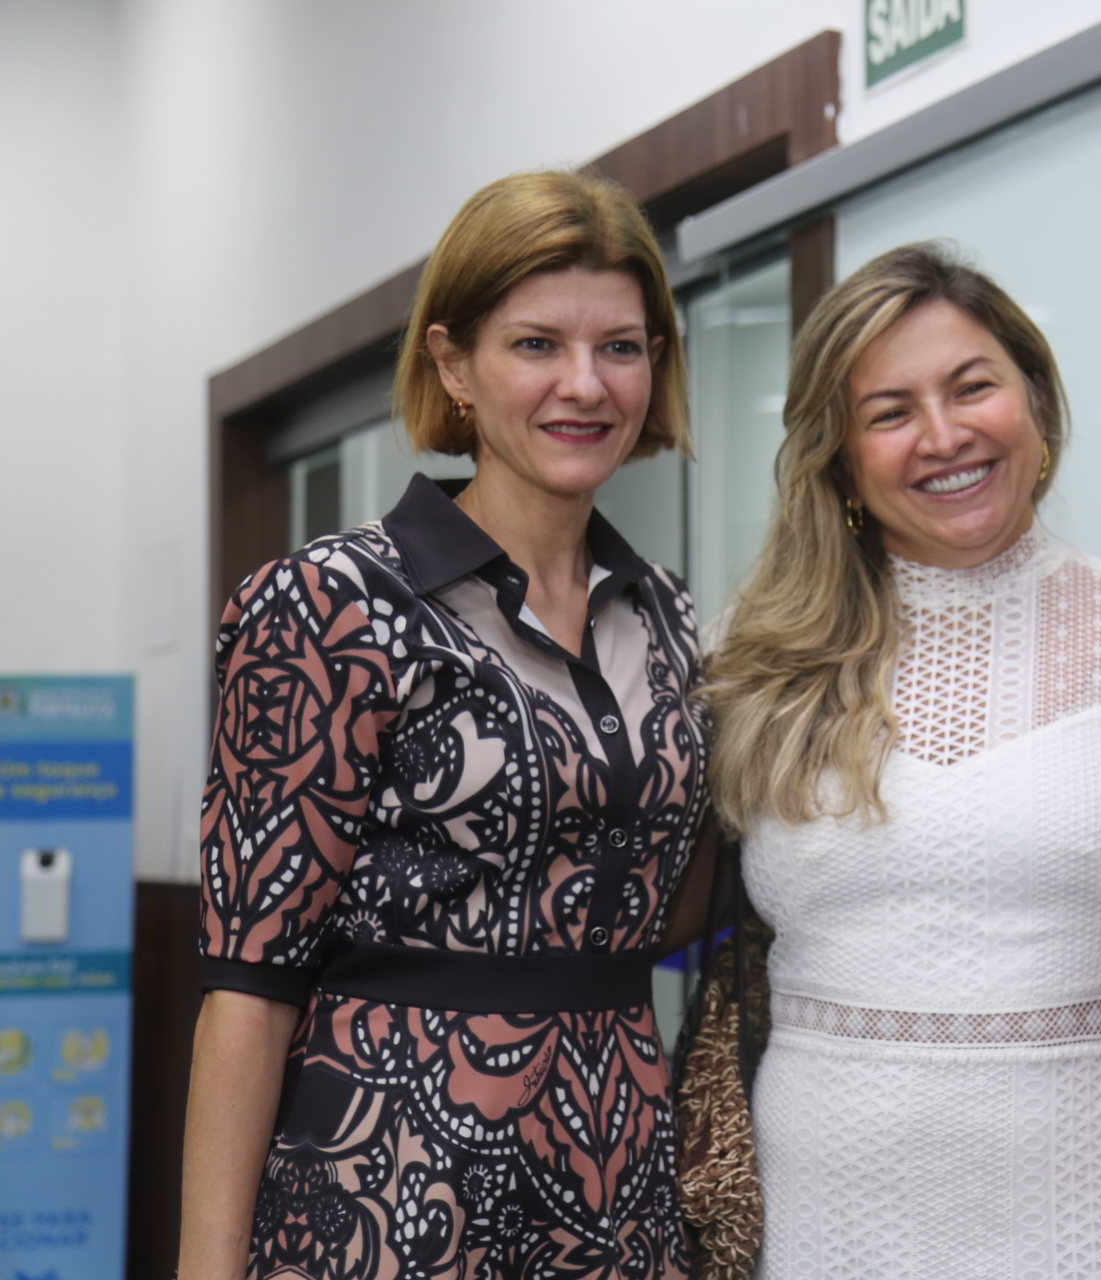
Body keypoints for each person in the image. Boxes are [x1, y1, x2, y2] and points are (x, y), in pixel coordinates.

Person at [179, 170, 711, 1280]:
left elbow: (677, 895)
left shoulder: (670, 616)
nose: (585, 384)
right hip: (388, 1188)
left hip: (618, 1192)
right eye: (536, 344)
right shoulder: (331, 603)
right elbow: (250, 985)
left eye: (620, 346)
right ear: (453, 364)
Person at [700, 243, 1101, 1278]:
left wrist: (1095, 960)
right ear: (840, 457)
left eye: (972, 386)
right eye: (890, 412)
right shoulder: (751, 663)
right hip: (830, 1225)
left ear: (1037, 401)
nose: (943, 436)